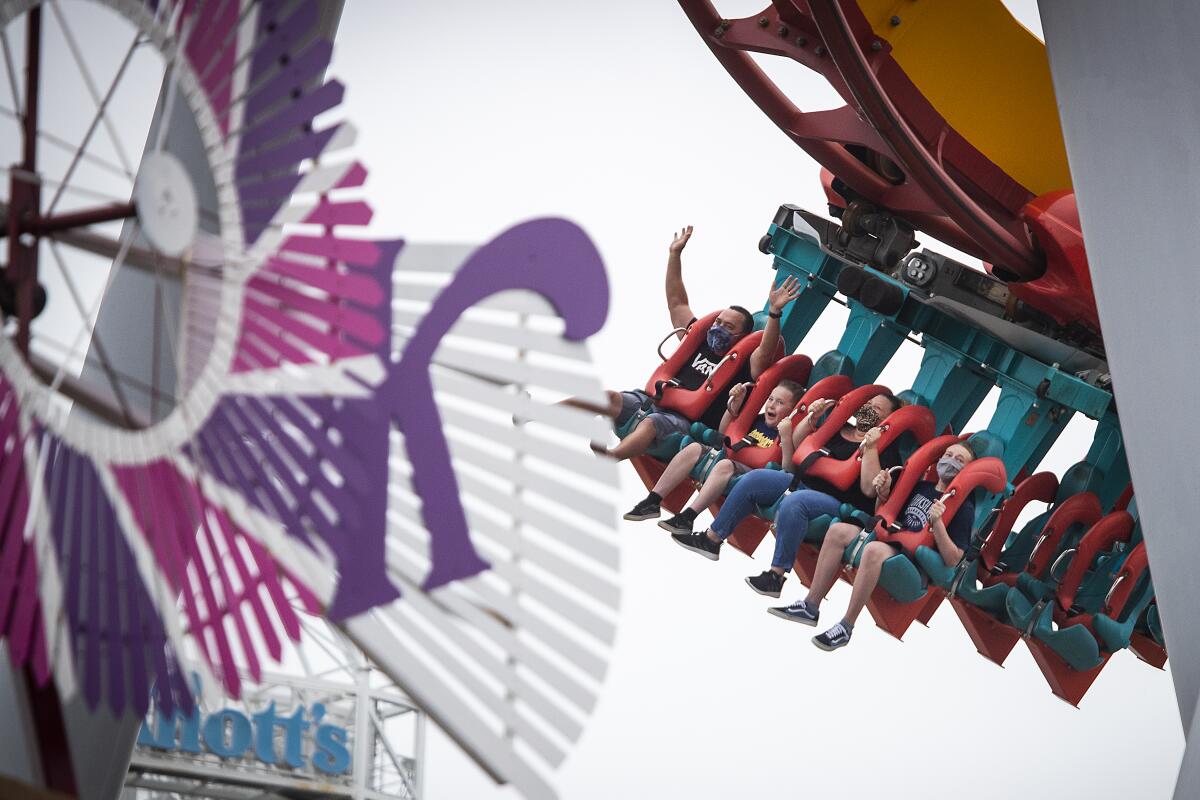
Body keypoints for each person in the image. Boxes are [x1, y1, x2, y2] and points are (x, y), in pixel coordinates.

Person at [591, 227, 801, 461]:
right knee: (607, 397)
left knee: (651, 423)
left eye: (729, 327)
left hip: (686, 425)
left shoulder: (742, 365)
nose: (719, 328)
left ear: (741, 337)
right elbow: (677, 302)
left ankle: (611, 456)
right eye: (719, 322)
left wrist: (774, 312)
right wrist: (674, 255)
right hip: (653, 402)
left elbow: (766, 350)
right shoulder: (698, 340)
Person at [671, 392, 904, 598]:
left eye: (876, 409)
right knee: (755, 479)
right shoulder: (838, 429)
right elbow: (795, 446)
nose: (868, 411)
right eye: (868, 404)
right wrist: (811, 418)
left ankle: (776, 576)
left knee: (795, 502)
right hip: (801, 482)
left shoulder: (886, 451)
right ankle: (711, 539)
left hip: (837, 502)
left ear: (887, 421)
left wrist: (871, 447)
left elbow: (868, 489)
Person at [768, 441, 977, 651]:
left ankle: (846, 626)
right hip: (890, 536)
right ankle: (810, 606)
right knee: (838, 531)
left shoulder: (963, 508)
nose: (951, 461)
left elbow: (953, 558)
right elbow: (882, 513)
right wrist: (883, 493)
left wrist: (938, 524)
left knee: (872, 551)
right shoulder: (921, 487)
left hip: (912, 559)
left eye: (959, 460)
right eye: (948, 455)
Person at [621, 379, 805, 526]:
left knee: (724, 465)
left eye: (780, 402)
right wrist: (733, 407)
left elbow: (788, 471)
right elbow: (725, 434)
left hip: (752, 475)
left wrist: (787, 438)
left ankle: (687, 518)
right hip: (728, 459)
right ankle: (652, 501)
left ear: (793, 411)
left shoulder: (789, 433)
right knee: (693, 447)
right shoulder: (756, 420)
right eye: (771, 399)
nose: (772, 405)